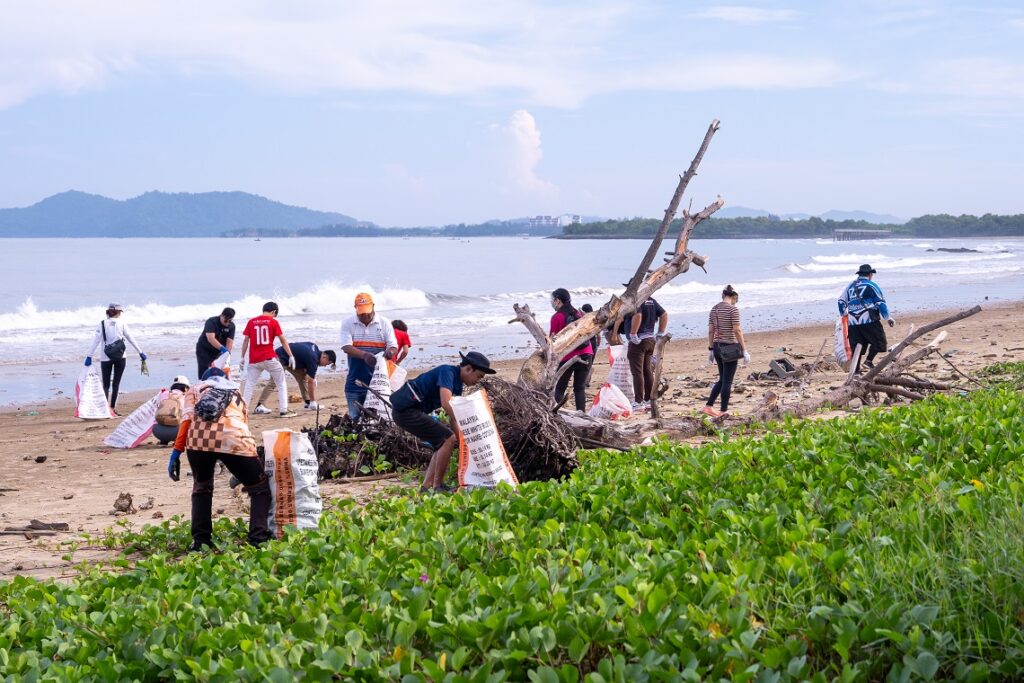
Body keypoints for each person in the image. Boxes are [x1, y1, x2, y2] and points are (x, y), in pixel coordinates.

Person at [167, 367, 271, 551]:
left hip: (197, 442)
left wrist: (176, 452)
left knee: (201, 488)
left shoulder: (195, 389)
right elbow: (242, 425)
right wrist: (245, 464)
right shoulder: (236, 391)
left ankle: (201, 542)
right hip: (233, 440)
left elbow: (186, 421)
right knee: (259, 488)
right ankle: (258, 539)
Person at [390, 351, 495, 492]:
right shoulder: (448, 372)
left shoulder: (458, 386)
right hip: (405, 411)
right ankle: (438, 486)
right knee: (447, 439)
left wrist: (462, 441)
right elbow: (446, 403)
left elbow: (452, 417)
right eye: (479, 376)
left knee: (443, 442)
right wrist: (454, 437)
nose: (478, 381)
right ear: (469, 369)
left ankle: (426, 487)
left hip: (411, 412)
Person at [340, 292, 398, 419]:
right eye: (361, 312)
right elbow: (346, 347)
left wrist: (390, 352)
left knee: (381, 419)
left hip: (379, 383)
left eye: (367, 311)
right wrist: (364, 355)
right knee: (354, 418)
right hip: (355, 383)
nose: (365, 315)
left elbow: (393, 346)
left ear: (373, 306)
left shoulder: (384, 323)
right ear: (355, 308)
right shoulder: (348, 323)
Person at [84, 303, 146, 415]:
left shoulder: (102, 324)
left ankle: (104, 410)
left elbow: (96, 341)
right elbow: (131, 338)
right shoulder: (122, 324)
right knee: (116, 384)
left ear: (109, 312)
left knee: (106, 384)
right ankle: (112, 409)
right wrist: (140, 352)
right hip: (121, 357)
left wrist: (89, 356)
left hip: (105, 357)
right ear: (118, 312)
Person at [239, 302, 296, 418]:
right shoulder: (273, 322)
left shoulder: (251, 322)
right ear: (274, 312)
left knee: (249, 384)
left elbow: (246, 341)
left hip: (254, 359)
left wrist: (242, 357)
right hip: (269, 358)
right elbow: (283, 340)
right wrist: (291, 355)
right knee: (281, 382)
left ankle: (243, 411)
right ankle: (284, 410)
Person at [838, 263, 894, 374]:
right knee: (879, 341)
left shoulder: (850, 286)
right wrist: (888, 317)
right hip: (868, 319)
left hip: (853, 321)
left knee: (857, 346)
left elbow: (841, 301)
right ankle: (868, 361)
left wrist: (845, 315)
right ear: (870, 274)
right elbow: (880, 303)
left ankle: (856, 371)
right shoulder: (871, 285)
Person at [704, 285, 750, 417]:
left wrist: (711, 349)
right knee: (727, 381)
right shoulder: (733, 310)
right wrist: (744, 350)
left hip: (717, 346)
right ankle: (723, 411)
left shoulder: (714, 309)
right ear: (734, 296)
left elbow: (711, 330)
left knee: (722, 379)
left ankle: (708, 406)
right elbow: (737, 330)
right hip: (729, 347)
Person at [253, 343, 336, 413]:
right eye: (327, 363)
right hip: (279, 357)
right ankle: (259, 406)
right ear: (324, 356)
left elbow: (301, 355)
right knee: (274, 382)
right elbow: (311, 382)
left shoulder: (314, 348)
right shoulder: (313, 359)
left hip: (289, 359)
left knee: (302, 377)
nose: (325, 366)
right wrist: (314, 401)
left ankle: (308, 402)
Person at [550, 288, 593, 411]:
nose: (552, 303)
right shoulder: (578, 314)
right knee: (579, 388)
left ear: (558, 301)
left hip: (568, 357)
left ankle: (560, 414)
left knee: (559, 389)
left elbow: (553, 341)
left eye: (553, 300)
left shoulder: (557, 317)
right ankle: (582, 415)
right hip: (586, 353)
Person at [625, 297, 668, 409]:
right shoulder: (651, 300)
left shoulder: (636, 300)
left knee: (637, 371)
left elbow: (638, 315)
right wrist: (660, 333)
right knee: (647, 370)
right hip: (650, 339)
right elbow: (664, 314)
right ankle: (649, 399)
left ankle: (638, 401)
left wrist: (633, 333)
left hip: (639, 340)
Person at [195, 307, 236, 379]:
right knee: (204, 370)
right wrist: (222, 348)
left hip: (218, 351)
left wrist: (227, 354)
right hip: (204, 349)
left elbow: (229, 341)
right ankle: (201, 385)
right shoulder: (211, 322)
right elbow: (211, 338)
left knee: (219, 370)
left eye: (230, 321)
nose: (228, 323)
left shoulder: (231, 326)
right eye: (226, 321)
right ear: (222, 315)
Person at [153, 375, 190, 445]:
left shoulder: (164, 393)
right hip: (176, 432)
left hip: (157, 431)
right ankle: (177, 440)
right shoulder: (186, 397)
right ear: (185, 388)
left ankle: (164, 441)